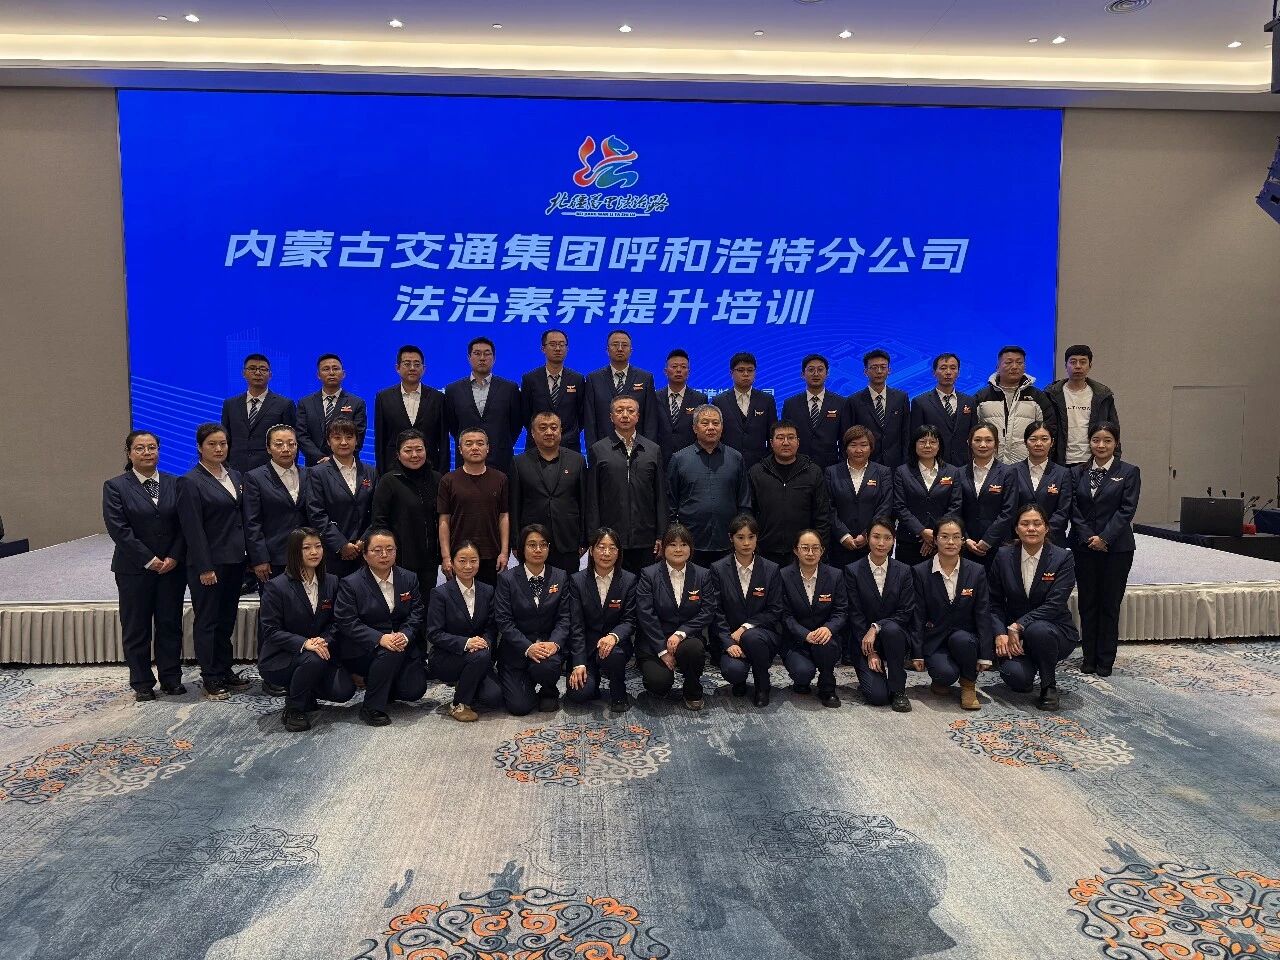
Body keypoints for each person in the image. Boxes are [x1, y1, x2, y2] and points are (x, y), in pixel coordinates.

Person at [102, 430, 186, 701]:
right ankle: (142, 683)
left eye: (152, 447)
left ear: (159, 451)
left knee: (170, 624)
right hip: (134, 569)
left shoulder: (176, 482)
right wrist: (149, 560)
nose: (147, 453)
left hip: (172, 568)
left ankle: (171, 678)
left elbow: (185, 524)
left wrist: (174, 556)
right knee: (136, 627)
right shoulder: (115, 486)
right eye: (140, 448)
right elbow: (119, 529)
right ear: (129, 453)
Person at [176, 423, 250, 700]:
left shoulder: (234, 475)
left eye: (223, 443)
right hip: (208, 564)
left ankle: (224, 668)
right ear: (199, 447)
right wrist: (204, 566)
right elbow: (192, 529)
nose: (219, 449)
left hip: (234, 560)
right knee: (207, 620)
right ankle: (210, 676)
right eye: (212, 444)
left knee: (226, 619)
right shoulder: (190, 481)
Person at [257, 527, 356, 731]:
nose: (314, 552)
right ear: (295, 551)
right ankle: (294, 708)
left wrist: (324, 640)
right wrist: (304, 643)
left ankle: (305, 689)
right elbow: (271, 631)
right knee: (312, 659)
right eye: (307, 548)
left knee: (344, 691)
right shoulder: (277, 586)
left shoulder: (331, 581)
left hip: (321, 650)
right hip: (281, 657)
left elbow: (337, 622)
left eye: (318, 546)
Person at [988, 504, 1079, 711]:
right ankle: (1032, 665)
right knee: (1016, 678)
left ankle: (1048, 686)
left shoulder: (1062, 557)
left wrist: (1019, 625)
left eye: (1037, 524)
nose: (1031, 528)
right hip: (1015, 637)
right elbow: (993, 601)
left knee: (1038, 630)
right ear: (1016, 529)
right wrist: (1000, 632)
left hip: (1054, 631)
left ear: (1046, 528)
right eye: (1025, 524)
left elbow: (1055, 604)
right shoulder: (1003, 556)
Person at [334, 530, 427, 726]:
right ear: (365, 554)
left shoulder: (409, 578)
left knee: (414, 691)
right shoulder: (351, 583)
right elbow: (346, 621)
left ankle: (380, 682)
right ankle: (371, 707)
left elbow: (417, 612)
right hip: (365, 649)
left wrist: (405, 634)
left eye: (390, 549)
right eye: (377, 550)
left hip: (401, 644)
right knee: (389, 651)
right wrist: (380, 638)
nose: (384, 555)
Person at [1069, 421, 1140, 677]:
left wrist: (1104, 538)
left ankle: (1105, 659)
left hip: (1117, 549)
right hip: (1084, 546)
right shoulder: (1076, 472)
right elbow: (1072, 507)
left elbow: (1126, 510)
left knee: (1110, 604)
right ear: (1089, 442)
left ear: (1116, 443)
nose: (1101, 445)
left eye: (1107, 440)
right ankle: (1089, 657)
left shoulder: (1129, 472)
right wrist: (1089, 536)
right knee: (1087, 602)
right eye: (1096, 440)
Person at [910, 516, 993, 710]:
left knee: (961, 640)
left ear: (963, 541)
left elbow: (983, 613)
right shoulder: (920, 572)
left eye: (956, 537)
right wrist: (917, 653)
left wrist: (985, 654)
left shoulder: (976, 571)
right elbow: (917, 615)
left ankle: (968, 684)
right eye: (944, 536)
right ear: (935, 539)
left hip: (966, 639)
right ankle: (942, 677)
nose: (950, 542)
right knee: (945, 675)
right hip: (935, 639)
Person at [635, 524, 717, 710]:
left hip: (686, 639)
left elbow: (708, 611)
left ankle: (692, 689)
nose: (678, 549)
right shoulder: (649, 574)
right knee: (659, 683)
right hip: (655, 641)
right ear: (663, 548)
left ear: (691, 548)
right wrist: (662, 651)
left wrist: (681, 633)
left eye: (683, 544)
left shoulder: (702, 574)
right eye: (672, 544)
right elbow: (646, 615)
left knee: (694, 648)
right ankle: (661, 673)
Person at [494, 524, 571, 715]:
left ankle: (548, 690)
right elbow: (504, 621)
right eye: (532, 544)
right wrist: (527, 647)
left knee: (548, 667)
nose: (538, 549)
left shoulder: (560, 576)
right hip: (516, 651)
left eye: (543, 544)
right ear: (522, 548)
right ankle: (525, 681)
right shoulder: (507, 579)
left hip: (547, 649)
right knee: (519, 707)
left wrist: (554, 643)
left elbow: (564, 617)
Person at [585, 396, 667, 575]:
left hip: (646, 538)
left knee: (646, 587)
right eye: (619, 411)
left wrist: (661, 534)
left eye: (630, 411)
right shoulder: (598, 450)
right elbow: (592, 499)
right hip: (610, 540)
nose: (625, 415)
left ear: (638, 416)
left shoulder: (653, 450)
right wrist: (594, 536)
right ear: (611, 416)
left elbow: (661, 497)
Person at [426, 540, 503, 722]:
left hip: (480, 655)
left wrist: (484, 642)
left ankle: (467, 682)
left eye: (473, 561)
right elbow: (434, 633)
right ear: (452, 563)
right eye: (462, 561)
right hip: (447, 657)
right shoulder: (440, 593)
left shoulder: (487, 590)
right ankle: (458, 704)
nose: (468, 566)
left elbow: (491, 627)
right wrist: (467, 643)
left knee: (494, 697)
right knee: (480, 656)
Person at [711, 514, 784, 707]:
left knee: (751, 637)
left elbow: (775, 610)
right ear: (731, 538)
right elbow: (716, 611)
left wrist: (745, 627)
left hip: (764, 635)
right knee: (733, 671)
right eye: (740, 537)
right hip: (731, 637)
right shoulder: (718, 569)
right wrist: (728, 642)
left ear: (757, 538)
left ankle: (762, 685)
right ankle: (740, 680)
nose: (746, 543)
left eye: (751, 537)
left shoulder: (771, 569)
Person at [666, 404, 751, 569]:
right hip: (689, 543)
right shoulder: (679, 459)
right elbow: (670, 503)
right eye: (705, 423)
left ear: (722, 427)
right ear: (694, 428)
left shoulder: (736, 458)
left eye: (716, 423)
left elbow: (744, 502)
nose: (711, 427)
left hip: (727, 541)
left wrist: (742, 536)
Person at [843, 517, 914, 711]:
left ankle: (899, 690)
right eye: (876, 537)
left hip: (895, 638)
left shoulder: (904, 571)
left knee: (892, 629)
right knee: (878, 696)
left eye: (887, 538)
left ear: (894, 540)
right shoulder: (852, 571)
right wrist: (871, 652)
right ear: (867, 538)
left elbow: (905, 611)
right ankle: (877, 679)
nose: (881, 543)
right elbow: (855, 614)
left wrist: (876, 627)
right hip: (862, 640)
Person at [566, 527, 638, 712]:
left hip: (616, 647)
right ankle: (593, 679)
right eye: (601, 547)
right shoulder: (577, 581)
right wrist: (579, 662)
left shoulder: (629, 580)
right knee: (579, 694)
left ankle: (618, 692)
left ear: (618, 552)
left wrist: (613, 636)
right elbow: (576, 625)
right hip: (587, 647)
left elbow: (630, 620)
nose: (606, 553)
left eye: (612, 548)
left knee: (613, 654)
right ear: (591, 550)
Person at [508, 411, 587, 574]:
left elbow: (585, 502)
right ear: (532, 433)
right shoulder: (519, 462)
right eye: (543, 428)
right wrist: (515, 542)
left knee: (568, 588)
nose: (549, 432)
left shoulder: (577, 460)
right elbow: (514, 505)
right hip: (531, 542)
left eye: (554, 427)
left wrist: (584, 539)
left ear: (561, 431)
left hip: (568, 540)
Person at [777, 529, 846, 708]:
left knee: (826, 645)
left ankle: (827, 686)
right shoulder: (783, 576)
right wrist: (804, 634)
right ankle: (802, 679)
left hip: (826, 640)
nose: (810, 553)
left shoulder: (835, 575)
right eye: (805, 548)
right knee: (802, 673)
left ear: (822, 551)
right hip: (796, 641)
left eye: (815, 548)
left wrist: (828, 628)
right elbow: (784, 614)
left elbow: (841, 611)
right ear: (796, 550)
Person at [749, 419, 830, 568]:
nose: (786, 442)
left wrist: (819, 550)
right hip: (765, 551)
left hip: (803, 552)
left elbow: (822, 516)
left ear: (798, 442)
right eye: (780, 438)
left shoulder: (813, 472)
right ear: (771, 442)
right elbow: (749, 513)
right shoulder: (757, 472)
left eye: (791, 437)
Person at [303, 417, 377, 578]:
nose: (344, 442)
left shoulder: (371, 472)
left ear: (357, 440)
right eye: (337, 438)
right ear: (328, 442)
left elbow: (377, 511)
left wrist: (364, 540)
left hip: (365, 551)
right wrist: (341, 544)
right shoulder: (317, 473)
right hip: (332, 553)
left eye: (349, 437)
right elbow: (316, 514)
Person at [437, 427, 509, 587]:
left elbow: (503, 517)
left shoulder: (500, 479)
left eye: (480, 443)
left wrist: (504, 552)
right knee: (459, 600)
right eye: (469, 444)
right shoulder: (448, 480)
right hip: (459, 555)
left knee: (490, 599)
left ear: (488, 448)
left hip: (491, 554)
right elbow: (444, 520)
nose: (475, 448)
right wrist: (446, 556)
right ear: (460, 450)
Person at [370, 428, 441, 590]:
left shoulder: (437, 479)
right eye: (408, 450)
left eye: (419, 449)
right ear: (398, 454)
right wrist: (388, 554)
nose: (414, 455)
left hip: (430, 561)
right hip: (400, 560)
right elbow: (379, 522)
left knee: (427, 601)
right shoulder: (388, 481)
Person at [444, 336, 524, 473]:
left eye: (487, 354)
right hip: (466, 461)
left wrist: (500, 442)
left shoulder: (509, 388)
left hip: (500, 460)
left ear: (494, 358)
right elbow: (454, 426)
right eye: (477, 353)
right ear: (469, 357)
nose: (482, 358)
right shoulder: (453, 390)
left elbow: (515, 424)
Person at [243, 424, 307, 583]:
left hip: (307, 555)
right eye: (278, 444)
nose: (286, 449)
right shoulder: (255, 478)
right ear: (268, 448)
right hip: (273, 559)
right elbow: (252, 522)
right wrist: (259, 558)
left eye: (291, 444)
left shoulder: (309, 474)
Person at [973, 345, 1057, 465]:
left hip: (1027, 465)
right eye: (1008, 362)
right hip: (990, 464)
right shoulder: (982, 397)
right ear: (997, 367)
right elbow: (972, 431)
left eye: (1019, 362)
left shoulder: (1037, 397)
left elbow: (1050, 430)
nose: (1014, 366)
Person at [892, 425, 963, 566]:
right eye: (922, 441)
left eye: (933, 442)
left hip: (943, 542)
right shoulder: (902, 472)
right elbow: (899, 506)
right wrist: (922, 531)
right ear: (914, 445)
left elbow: (955, 505)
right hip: (909, 540)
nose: (927, 446)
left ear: (939, 446)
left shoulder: (952, 471)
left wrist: (936, 535)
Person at [373, 344, 447, 477]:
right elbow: (380, 441)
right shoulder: (383, 397)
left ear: (423, 369)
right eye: (407, 364)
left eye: (417, 364)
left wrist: (442, 475)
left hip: (430, 471)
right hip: (394, 472)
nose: (412, 368)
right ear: (397, 368)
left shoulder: (438, 398)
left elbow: (443, 442)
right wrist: (382, 475)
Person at [825, 425, 893, 570]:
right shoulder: (832, 472)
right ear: (845, 448)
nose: (858, 450)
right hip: (839, 545)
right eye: (853, 445)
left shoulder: (883, 472)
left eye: (864, 445)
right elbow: (828, 507)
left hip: (873, 545)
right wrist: (843, 535)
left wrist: (867, 534)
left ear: (871, 447)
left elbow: (885, 506)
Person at [583, 329, 661, 449]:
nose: (620, 349)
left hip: (637, 448)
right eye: (615, 345)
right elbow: (590, 421)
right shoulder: (594, 379)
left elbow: (650, 419)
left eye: (624, 345)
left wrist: (648, 450)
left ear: (631, 350)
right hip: (603, 448)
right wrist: (593, 451)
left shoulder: (645, 378)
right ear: (607, 350)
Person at [1045, 344, 1120, 468]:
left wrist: (1115, 460)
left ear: (1090, 365)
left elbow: (1114, 429)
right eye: (1073, 362)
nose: (1078, 366)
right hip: (1059, 462)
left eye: (1083, 362)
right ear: (1065, 365)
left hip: (1093, 460)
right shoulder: (1051, 395)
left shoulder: (1102, 395)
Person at [220, 353, 297, 474]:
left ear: (270, 375)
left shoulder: (285, 404)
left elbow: (292, 441)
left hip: (271, 471)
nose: (257, 373)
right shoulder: (230, 404)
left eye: (263, 369)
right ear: (244, 373)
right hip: (236, 470)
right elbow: (225, 438)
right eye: (252, 368)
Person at [958, 421, 1017, 568]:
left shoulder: (1008, 473)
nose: (983, 445)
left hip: (999, 545)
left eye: (988, 440)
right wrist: (965, 539)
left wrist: (988, 540)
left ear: (996, 444)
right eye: (977, 440)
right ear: (969, 443)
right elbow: (956, 509)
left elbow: (1008, 511)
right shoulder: (959, 473)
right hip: (966, 546)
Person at [520, 329, 586, 452]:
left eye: (562, 344)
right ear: (543, 349)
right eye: (553, 344)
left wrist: (566, 434)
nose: (558, 348)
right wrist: (541, 433)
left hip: (569, 445)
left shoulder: (577, 379)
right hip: (537, 445)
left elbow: (582, 415)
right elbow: (525, 414)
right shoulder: (530, 379)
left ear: (567, 349)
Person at [296, 353, 367, 466]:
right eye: (326, 369)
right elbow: (301, 435)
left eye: (335, 368)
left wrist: (333, 459)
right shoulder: (305, 403)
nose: (331, 373)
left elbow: (358, 436)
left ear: (343, 374)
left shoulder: (357, 403)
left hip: (346, 463)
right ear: (318, 375)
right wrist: (321, 458)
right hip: (314, 465)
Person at [845, 349, 911, 469]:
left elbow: (906, 432)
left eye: (883, 367)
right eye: (874, 367)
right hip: (865, 464)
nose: (879, 371)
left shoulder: (901, 398)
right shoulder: (854, 401)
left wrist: (907, 462)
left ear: (889, 370)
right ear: (865, 371)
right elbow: (848, 437)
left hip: (896, 464)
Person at [909, 353, 978, 467]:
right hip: (932, 464)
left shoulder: (969, 401)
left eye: (953, 368)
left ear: (958, 372)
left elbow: (974, 435)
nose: (948, 372)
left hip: (963, 466)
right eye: (943, 368)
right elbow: (916, 438)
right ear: (934, 373)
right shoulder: (920, 402)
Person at [713, 351, 777, 472]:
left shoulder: (766, 400)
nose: (746, 374)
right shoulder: (719, 401)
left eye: (750, 370)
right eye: (741, 370)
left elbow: (772, 435)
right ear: (731, 373)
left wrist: (768, 463)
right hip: (726, 465)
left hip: (760, 466)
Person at [1013, 422, 1074, 544]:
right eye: (1033, 439)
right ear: (1025, 442)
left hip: (1053, 540)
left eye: (1044, 439)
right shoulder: (1012, 471)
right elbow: (1009, 507)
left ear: (1052, 442)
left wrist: (1043, 533)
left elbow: (1063, 510)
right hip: (1018, 539)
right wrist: (1022, 531)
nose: (1038, 443)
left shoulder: (1063, 473)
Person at [781, 353, 846, 470]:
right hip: (797, 467)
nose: (816, 374)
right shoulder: (790, 404)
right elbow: (786, 437)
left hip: (831, 468)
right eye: (811, 370)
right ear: (802, 374)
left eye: (820, 370)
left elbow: (844, 440)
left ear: (827, 374)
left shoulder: (840, 403)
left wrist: (842, 469)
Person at [655, 348, 709, 464]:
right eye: (674, 367)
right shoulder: (654, 397)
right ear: (665, 371)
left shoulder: (700, 399)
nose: (679, 370)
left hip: (691, 460)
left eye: (683, 367)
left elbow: (702, 430)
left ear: (688, 372)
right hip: (660, 458)